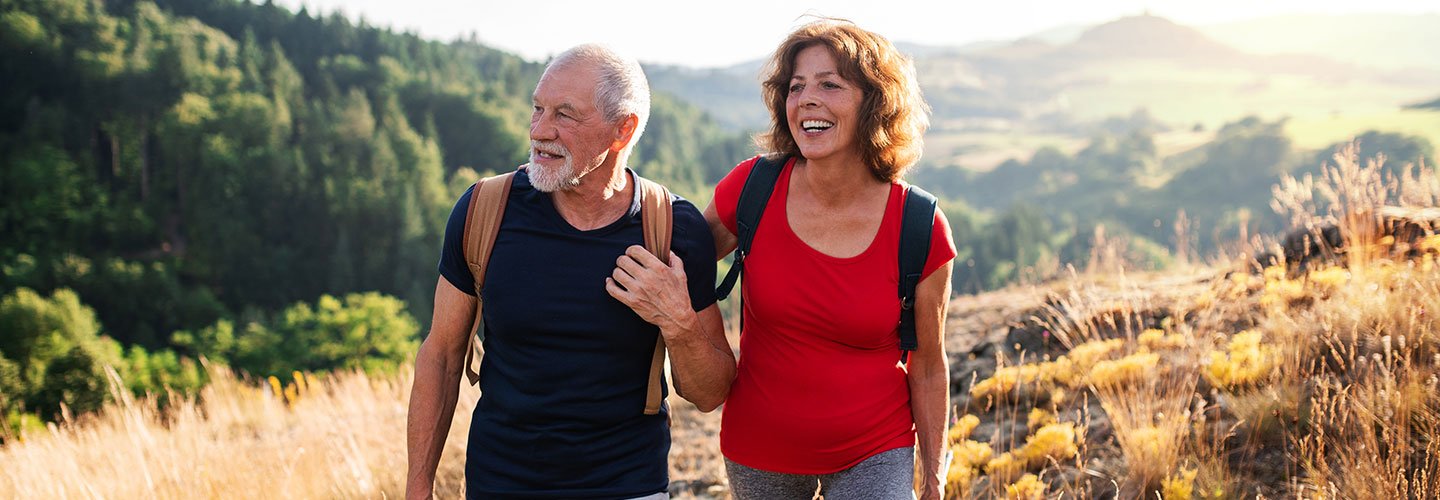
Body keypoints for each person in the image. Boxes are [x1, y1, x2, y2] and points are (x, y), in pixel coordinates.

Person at [406, 44, 736, 500]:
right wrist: (418, 486)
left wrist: (678, 324)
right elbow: (441, 355)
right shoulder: (484, 210)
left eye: (565, 114)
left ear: (623, 130)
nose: (540, 130)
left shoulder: (674, 230)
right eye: (537, 109)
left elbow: (709, 393)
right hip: (498, 485)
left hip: (628, 487)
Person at [704, 19, 956, 499]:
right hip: (761, 446)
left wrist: (933, 477)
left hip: (876, 448)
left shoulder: (919, 226)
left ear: (874, 104)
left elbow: (927, 365)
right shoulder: (752, 189)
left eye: (830, 84)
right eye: (796, 87)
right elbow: (679, 265)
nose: (807, 100)